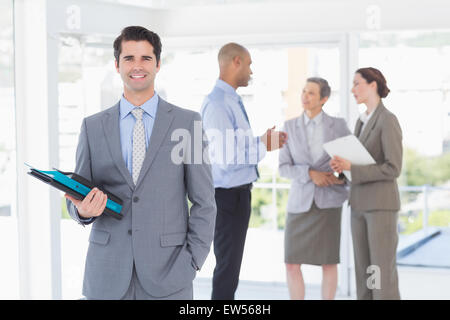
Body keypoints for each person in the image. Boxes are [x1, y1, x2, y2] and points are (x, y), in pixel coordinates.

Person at [65, 26, 216, 300]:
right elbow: (76, 194)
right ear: (116, 64)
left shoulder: (187, 123)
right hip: (106, 275)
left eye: (146, 58)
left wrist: (193, 261)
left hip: (170, 275)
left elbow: (204, 201)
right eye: (129, 58)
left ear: (158, 64)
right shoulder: (93, 127)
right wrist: (83, 212)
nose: (137, 66)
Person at [200, 43, 288, 300]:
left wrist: (263, 140)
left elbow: (234, 146)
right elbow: (227, 158)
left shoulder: (231, 99)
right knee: (227, 269)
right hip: (227, 197)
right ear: (235, 62)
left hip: (237, 195)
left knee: (231, 269)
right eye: (249, 64)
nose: (251, 71)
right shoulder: (217, 104)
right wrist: (263, 144)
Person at [330, 67, 402, 300]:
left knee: (380, 272)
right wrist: (343, 169)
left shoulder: (387, 120)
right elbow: (359, 163)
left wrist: (353, 167)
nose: (353, 89)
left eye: (357, 83)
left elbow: (393, 168)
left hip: (380, 207)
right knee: (365, 272)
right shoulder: (361, 122)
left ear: (373, 85)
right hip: (359, 204)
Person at [279, 77, 351, 300]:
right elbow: (283, 168)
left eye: (311, 93)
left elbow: (351, 164)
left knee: (328, 263)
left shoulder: (338, 126)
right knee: (292, 263)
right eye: (303, 91)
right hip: (299, 204)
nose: (305, 96)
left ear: (324, 99)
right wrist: (310, 174)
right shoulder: (289, 126)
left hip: (328, 203)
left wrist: (336, 175)